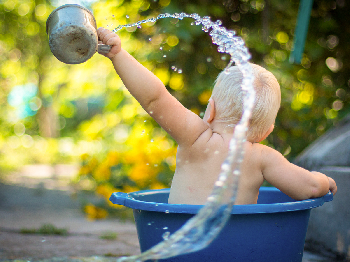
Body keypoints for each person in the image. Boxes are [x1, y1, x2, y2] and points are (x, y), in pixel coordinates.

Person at [97, 27, 337, 205]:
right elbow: (309, 188)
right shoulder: (263, 158)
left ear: (210, 110)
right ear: (267, 131)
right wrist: (325, 181)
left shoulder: (195, 138)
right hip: (236, 250)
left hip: (180, 241)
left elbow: (155, 98)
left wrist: (118, 55)